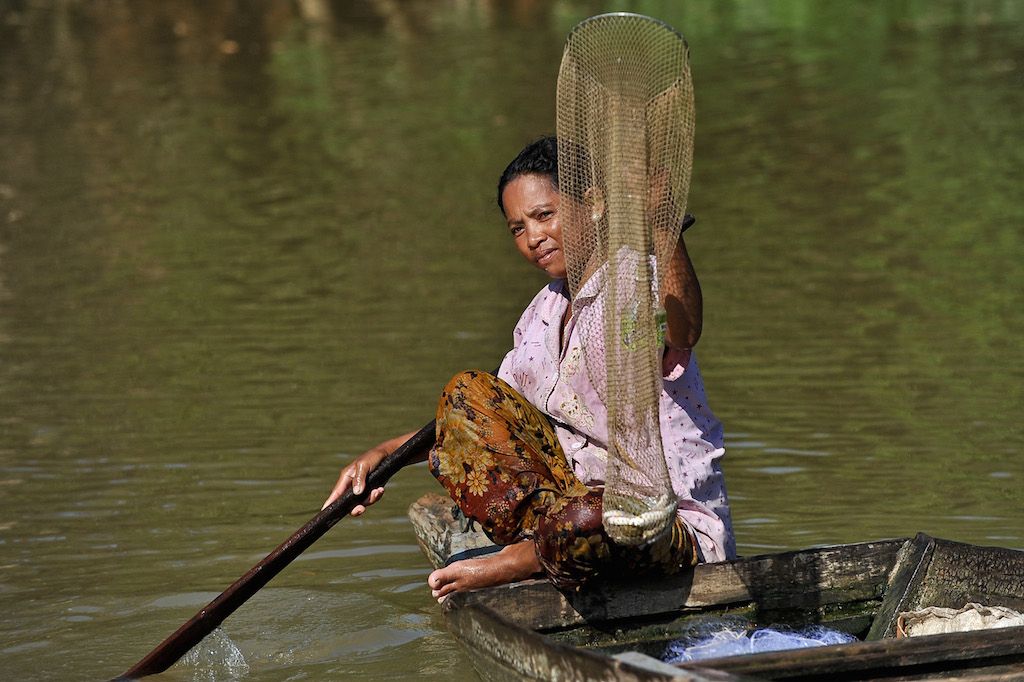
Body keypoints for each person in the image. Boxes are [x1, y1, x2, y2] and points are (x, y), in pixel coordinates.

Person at [323, 136, 734, 602]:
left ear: (594, 204)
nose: (533, 237)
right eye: (517, 228)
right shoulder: (541, 313)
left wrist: (664, 225)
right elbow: (487, 423)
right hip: (568, 518)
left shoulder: (636, 282)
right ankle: (542, 547)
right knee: (467, 392)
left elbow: (683, 330)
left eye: (544, 215)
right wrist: (382, 458)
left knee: (594, 516)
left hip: (656, 526)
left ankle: (523, 559)